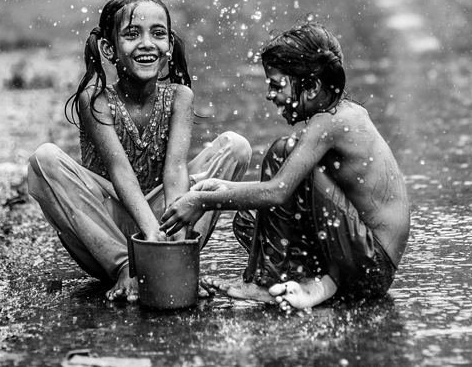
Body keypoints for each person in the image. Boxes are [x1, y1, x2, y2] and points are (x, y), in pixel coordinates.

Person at [160, 22, 411, 310]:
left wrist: (203, 201)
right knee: (248, 219)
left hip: (370, 266)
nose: (269, 95)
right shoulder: (338, 114)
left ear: (313, 86)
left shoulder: (330, 123)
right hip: (359, 258)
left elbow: (278, 192)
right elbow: (286, 190)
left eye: (277, 85)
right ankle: (315, 283)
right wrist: (225, 188)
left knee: (282, 152)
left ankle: (268, 282)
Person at [26, 0, 251, 302]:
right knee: (44, 159)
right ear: (109, 47)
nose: (147, 43)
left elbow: (175, 171)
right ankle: (125, 268)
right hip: (107, 231)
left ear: (169, 45)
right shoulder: (96, 101)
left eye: (158, 34)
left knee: (235, 147)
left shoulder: (179, 97)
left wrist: (176, 242)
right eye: (132, 34)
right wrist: (147, 232)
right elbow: (121, 173)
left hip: (163, 222)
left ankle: (180, 264)